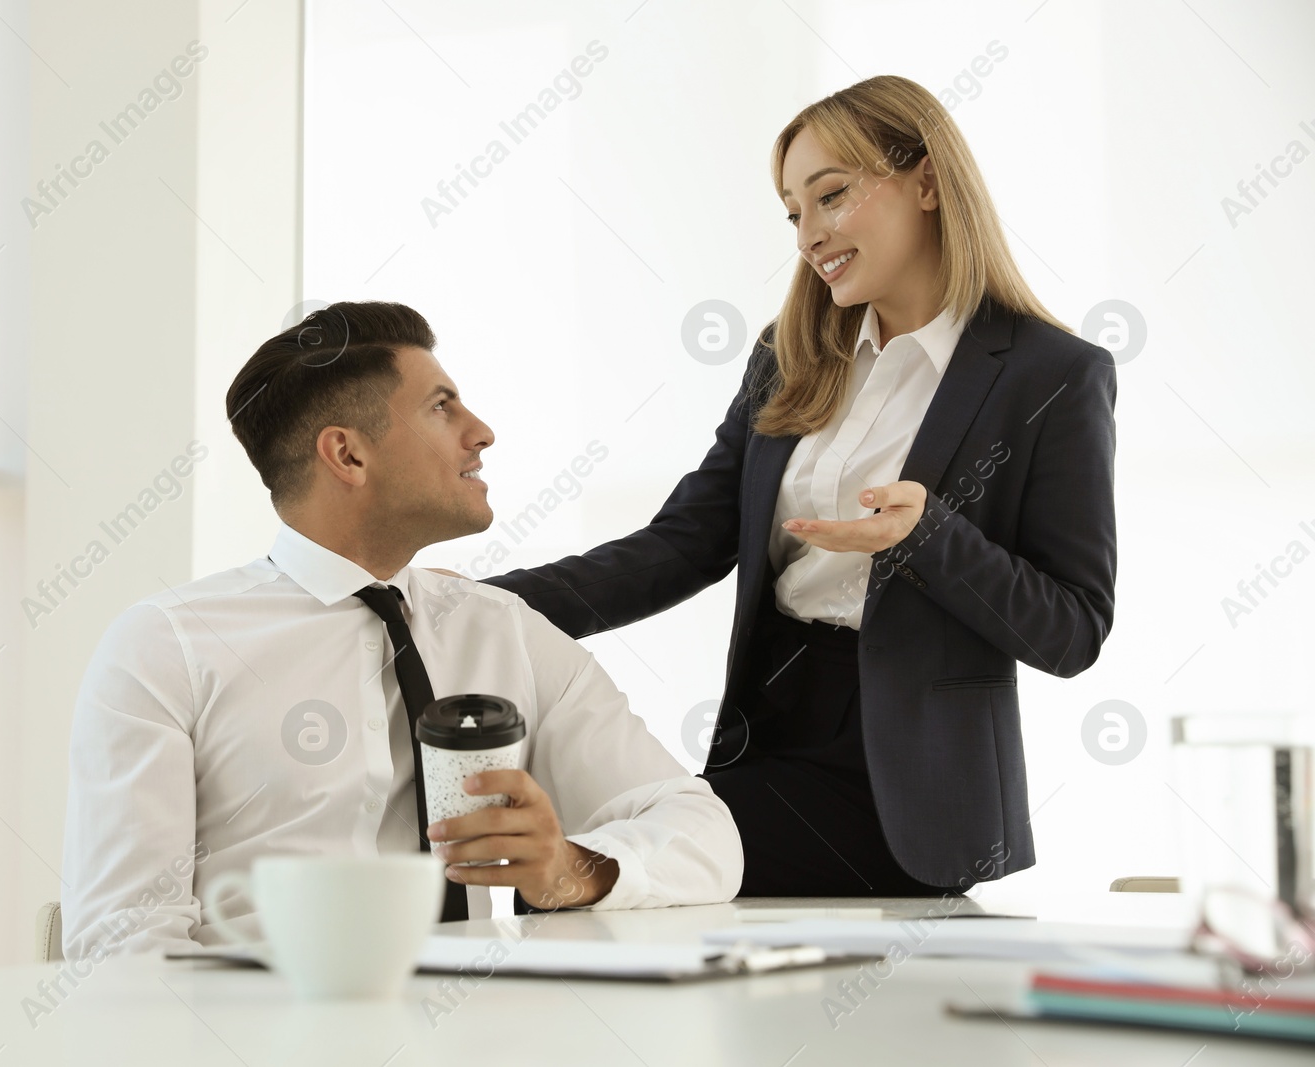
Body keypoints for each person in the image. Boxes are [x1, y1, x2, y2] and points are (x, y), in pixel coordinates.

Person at [478, 74, 1118, 897]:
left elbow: (1073, 628)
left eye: (831, 196)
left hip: (903, 782)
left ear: (927, 180)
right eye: (793, 212)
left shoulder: (1049, 375)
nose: (809, 235)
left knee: (604, 878)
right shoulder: (790, 355)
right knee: (627, 900)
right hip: (769, 728)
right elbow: (680, 545)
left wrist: (926, 537)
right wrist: (487, 608)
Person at [59, 301, 742, 960]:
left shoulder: (506, 632)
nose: (482, 432)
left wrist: (574, 866)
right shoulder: (164, 648)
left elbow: (705, 836)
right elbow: (125, 942)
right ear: (348, 456)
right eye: (441, 406)